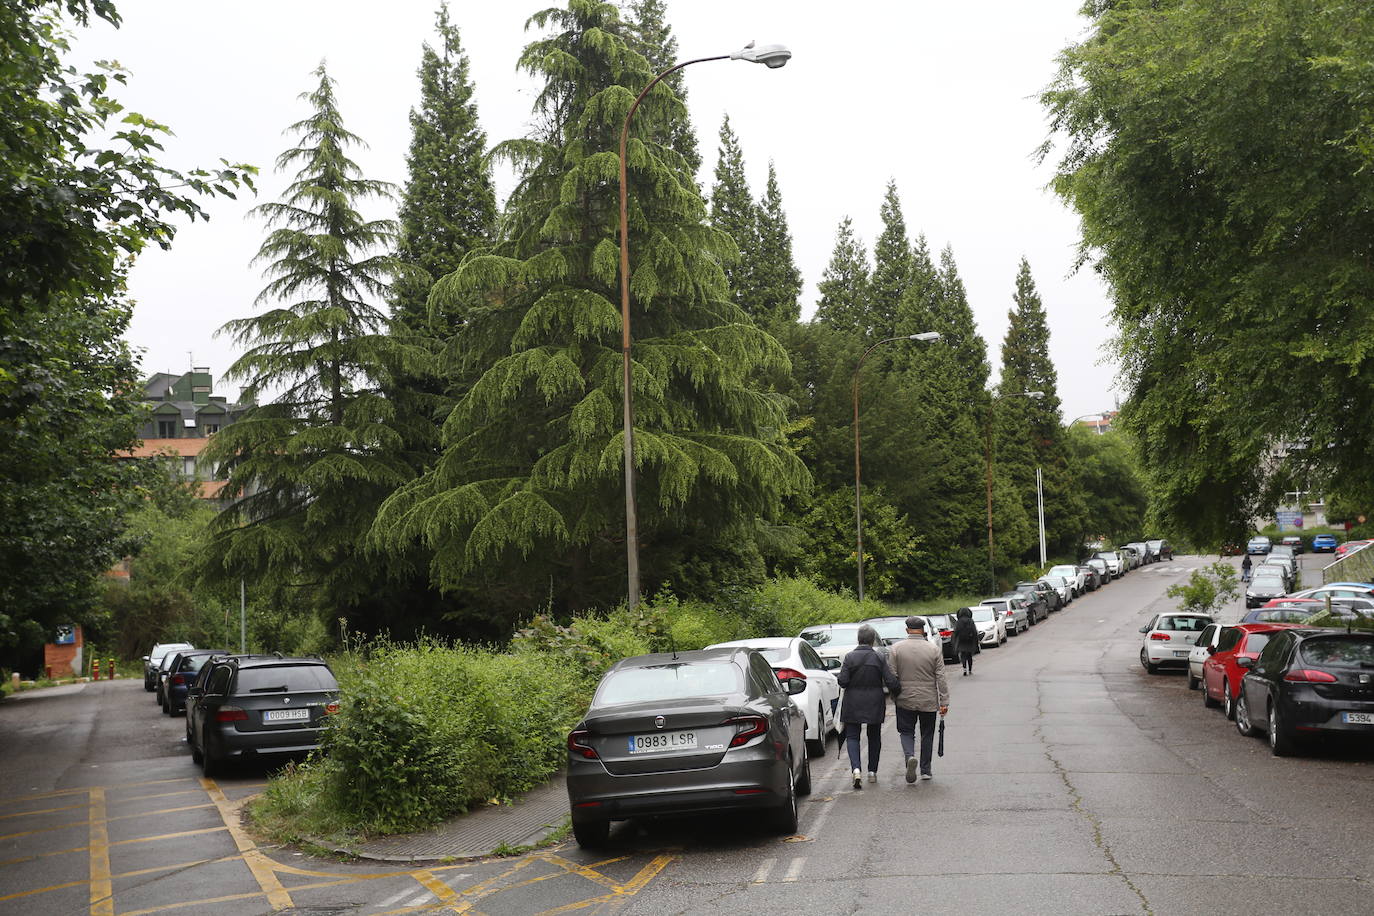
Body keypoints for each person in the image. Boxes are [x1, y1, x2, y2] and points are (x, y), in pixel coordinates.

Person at [836, 623, 900, 790]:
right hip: (874, 701)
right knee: (874, 736)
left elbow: (842, 681)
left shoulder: (849, 657)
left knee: (852, 736)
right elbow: (890, 680)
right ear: (872, 641)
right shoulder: (879, 657)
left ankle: (856, 769)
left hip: (853, 702)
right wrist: (898, 691)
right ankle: (872, 771)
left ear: (859, 639)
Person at [887, 616, 951, 783]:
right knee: (927, 734)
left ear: (907, 630)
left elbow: (891, 677)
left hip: (904, 699)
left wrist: (895, 697)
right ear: (923, 631)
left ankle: (909, 757)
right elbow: (941, 677)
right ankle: (925, 770)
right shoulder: (934, 650)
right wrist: (944, 702)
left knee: (906, 732)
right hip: (928, 700)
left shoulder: (896, 649)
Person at [952, 607, 980, 676]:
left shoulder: (958, 622)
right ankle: (970, 670)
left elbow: (956, 632)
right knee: (969, 656)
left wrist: (954, 642)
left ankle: (964, 669)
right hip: (970, 641)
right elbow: (974, 632)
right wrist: (976, 641)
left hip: (961, 641)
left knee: (963, 655)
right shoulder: (971, 621)